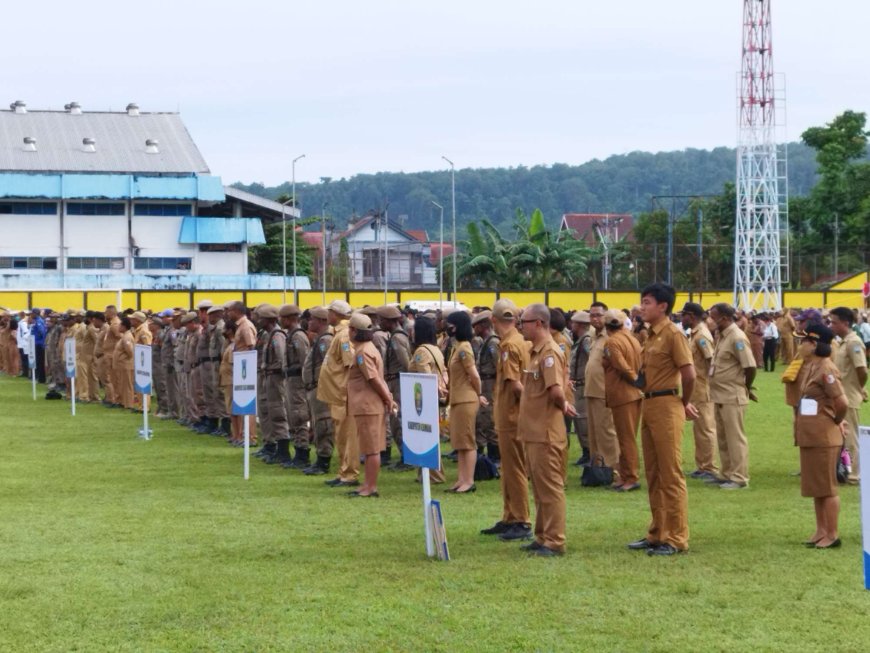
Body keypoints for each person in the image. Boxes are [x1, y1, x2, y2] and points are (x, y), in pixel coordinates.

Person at [627, 283, 697, 556]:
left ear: (663, 306)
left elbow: (689, 374)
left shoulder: (672, 335)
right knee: (654, 473)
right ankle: (657, 532)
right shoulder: (651, 336)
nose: (642, 307)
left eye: (647, 302)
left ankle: (677, 537)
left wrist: (683, 403)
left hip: (668, 403)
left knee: (670, 473)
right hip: (650, 403)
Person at [516, 303, 575, 556]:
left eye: (524, 322)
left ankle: (554, 540)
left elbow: (556, 390)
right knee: (539, 488)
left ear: (539, 323)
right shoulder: (535, 352)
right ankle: (542, 536)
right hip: (533, 431)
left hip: (546, 432)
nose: (521, 327)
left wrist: (563, 405)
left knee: (550, 488)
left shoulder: (549, 352)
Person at [794, 324, 848, 549]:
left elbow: (842, 402)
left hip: (824, 435)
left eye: (804, 341)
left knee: (827, 487)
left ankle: (832, 533)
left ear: (814, 344)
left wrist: (835, 422)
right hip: (811, 434)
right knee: (816, 486)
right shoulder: (812, 366)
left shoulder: (826, 369)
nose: (801, 344)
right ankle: (821, 530)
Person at [707, 303, 756, 490]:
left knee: (735, 438)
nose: (711, 321)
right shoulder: (722, 335)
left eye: (713, 317)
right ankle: (726, 473)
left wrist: (746, 386)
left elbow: (750, 366)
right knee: (723, 437)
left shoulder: (737, 337)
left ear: (725, 318)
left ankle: (739, 477)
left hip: (732, 394)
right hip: (719, 394)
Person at [346, 312, 395, 497]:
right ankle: (367, 484)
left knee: (372, 448)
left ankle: (371, 487)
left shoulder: (363, 352)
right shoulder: (367, 348)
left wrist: (388, 398)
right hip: (366, 405)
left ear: (353, 330)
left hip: (368, 406)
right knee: (368, 447)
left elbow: (374, 379)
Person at [318, 300, 360, 488]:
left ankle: (349, 473)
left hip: (343, 395)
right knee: (341, 436)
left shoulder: (343, 336)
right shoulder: (339, 334)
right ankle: (343, 471)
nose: (328, 315)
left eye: (330, 312)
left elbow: (350, 364)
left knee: (347, 436)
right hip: (337, 394)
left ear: (337, 314)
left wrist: (346, 390)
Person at [601, 308, 643, 492]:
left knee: (626, 439)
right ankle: (625, 475)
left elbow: (621, 367)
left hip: (623, 394)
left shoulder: (612, 342)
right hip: (633, 395)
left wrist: (635, 381)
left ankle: (631, 477)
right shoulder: (632, 338)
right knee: (628, 437)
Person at [829, 306, 867, 485]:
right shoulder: (843, 342)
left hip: (849, 396)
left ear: (845, 323)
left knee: (851, 437)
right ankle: (845, 470)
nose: (831, 326)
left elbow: (862, 369)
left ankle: (855, 474)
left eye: (834, 322)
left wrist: (859, 388)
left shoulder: (853, 342)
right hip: (841, 395)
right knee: (842, 436)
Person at [408, 315, 448, 484]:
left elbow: (425, 375)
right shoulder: (435, 348)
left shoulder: (421, 351)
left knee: (427, 437)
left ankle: (434, 474)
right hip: (435, 396)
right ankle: (424, 472)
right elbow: (444, 371)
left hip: (425, 399)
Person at [680, 302, 718, 481]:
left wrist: (711, 383)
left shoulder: (702, 335)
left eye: (684, 315)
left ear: (692, 316)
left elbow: (711, 361)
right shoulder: (694, 334)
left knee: (705, 428)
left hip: (703, 388)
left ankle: (709, 467)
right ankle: (702, 466)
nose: (681, 319)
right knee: (699, 429)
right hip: (695, 389)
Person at [445, 310, 482, 493]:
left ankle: (469, 480)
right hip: (458, 398)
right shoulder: (457, 346)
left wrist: (479, 393)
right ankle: (461, 479)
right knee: (459, 442)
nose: (447, 328)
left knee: (467, 441)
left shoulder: (464, 348)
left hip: (466, 398)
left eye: (450, 325)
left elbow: (474, 375)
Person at [585, 302, 620, 475]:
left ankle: (613, 469)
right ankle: (597, 468)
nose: (595, 318)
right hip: (592, 390)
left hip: (604, 390)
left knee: (606, 431)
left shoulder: (611, 336)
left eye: (598, 315)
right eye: (592, 315)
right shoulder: (593, 336)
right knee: (594, 433)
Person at [302, 306, 336, 475]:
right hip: (314, 388)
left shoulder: (326, 341)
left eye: (313, 319)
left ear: (322, 321)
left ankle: (324, 460)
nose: (310, 322)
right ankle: (320, 458)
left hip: (321, 389)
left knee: (323, 424)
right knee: (318, 424)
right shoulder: (320, 339)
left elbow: (329, 366)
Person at [379, 304, 413, 470]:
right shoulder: (397, 336)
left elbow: (405, 363)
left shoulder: (397, 339)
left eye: (381, 320)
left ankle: (406, 457)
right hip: (396, 381)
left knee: (397, 421)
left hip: (398, 382)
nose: (379, 323)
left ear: (388, 321)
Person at [279, 303, 312, 469]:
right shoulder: (290, 335)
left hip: (297, 382)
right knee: (292, 416)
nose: (280, 321)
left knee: (299, 416)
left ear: (290, 318)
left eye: (282, 318)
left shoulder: (298, 336)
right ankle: (298, 450)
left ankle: (302, 453)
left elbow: (305, 362)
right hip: (290, 381)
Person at [472, 310, 500, 462]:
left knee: (490, 419)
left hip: (491, 383)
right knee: (484, 419)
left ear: (483, 325)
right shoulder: (486, 342)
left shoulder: (493, 343)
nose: (474, 329)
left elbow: (499, 366)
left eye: (476, 325)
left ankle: (496, 456)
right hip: (485, 383)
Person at [567, 310, 592, 466]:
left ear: (581, 324)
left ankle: (589, 453)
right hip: (577, 385)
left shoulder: (586, 340)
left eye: (574, 323)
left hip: (583, 385)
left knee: (583, 421)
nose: (572, 325)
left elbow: (592, 358)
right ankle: (585, 452)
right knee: (578, 420)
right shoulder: (580, 339)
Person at [113, 317, 135, 409]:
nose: (118, 327)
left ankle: (129, 403)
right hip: (121, 365)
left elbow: (129, 351)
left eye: (120, 325)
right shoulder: (124, 335)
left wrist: (123, 359)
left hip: (126, 365)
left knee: (127, 385)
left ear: (124, 326)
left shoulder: (127, 336)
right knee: (122, 384)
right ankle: (122, 401)